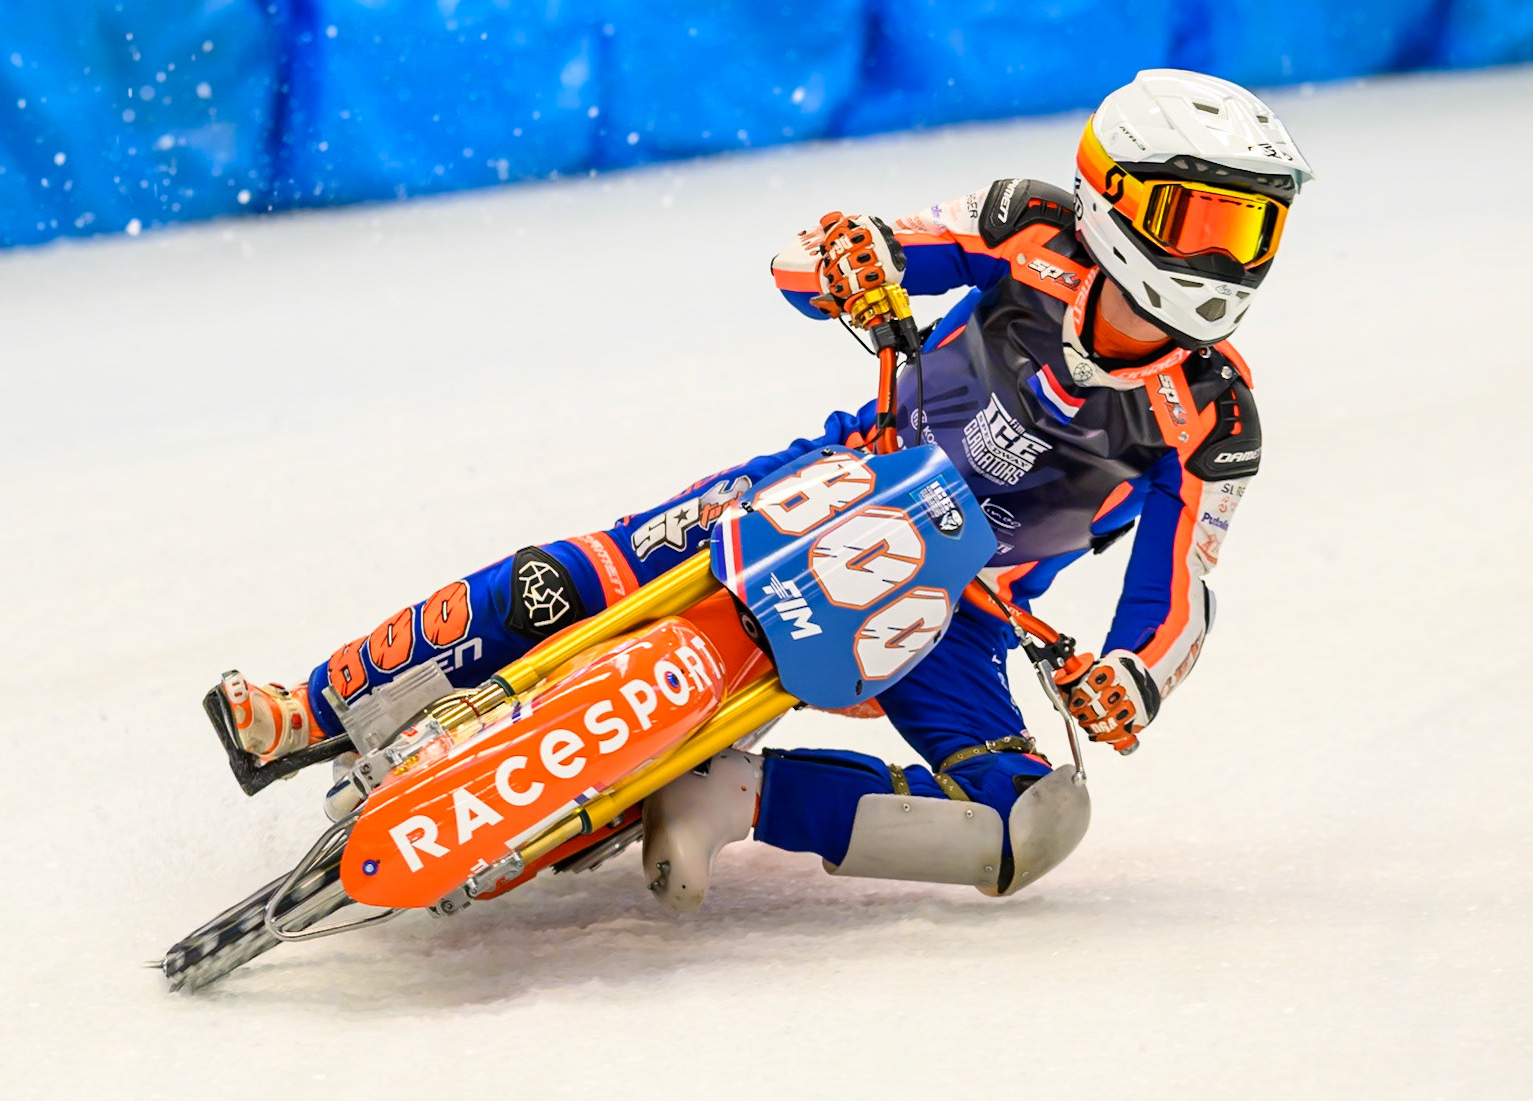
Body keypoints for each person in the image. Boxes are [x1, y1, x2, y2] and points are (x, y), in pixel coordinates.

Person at [214, 69, 1311, 907]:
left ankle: (735, 794)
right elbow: (830, 252)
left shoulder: (1211, 418)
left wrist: (1131, 679)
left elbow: (1178, 587)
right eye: (1199, 224)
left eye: (1248, 229)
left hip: (958, 612)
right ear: (1110, 195)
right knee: (574, 579)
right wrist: (847, 261)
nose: (1223, 262)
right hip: (829, 483)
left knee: (1028, 822)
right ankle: (306, 709)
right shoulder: (1024, 229)